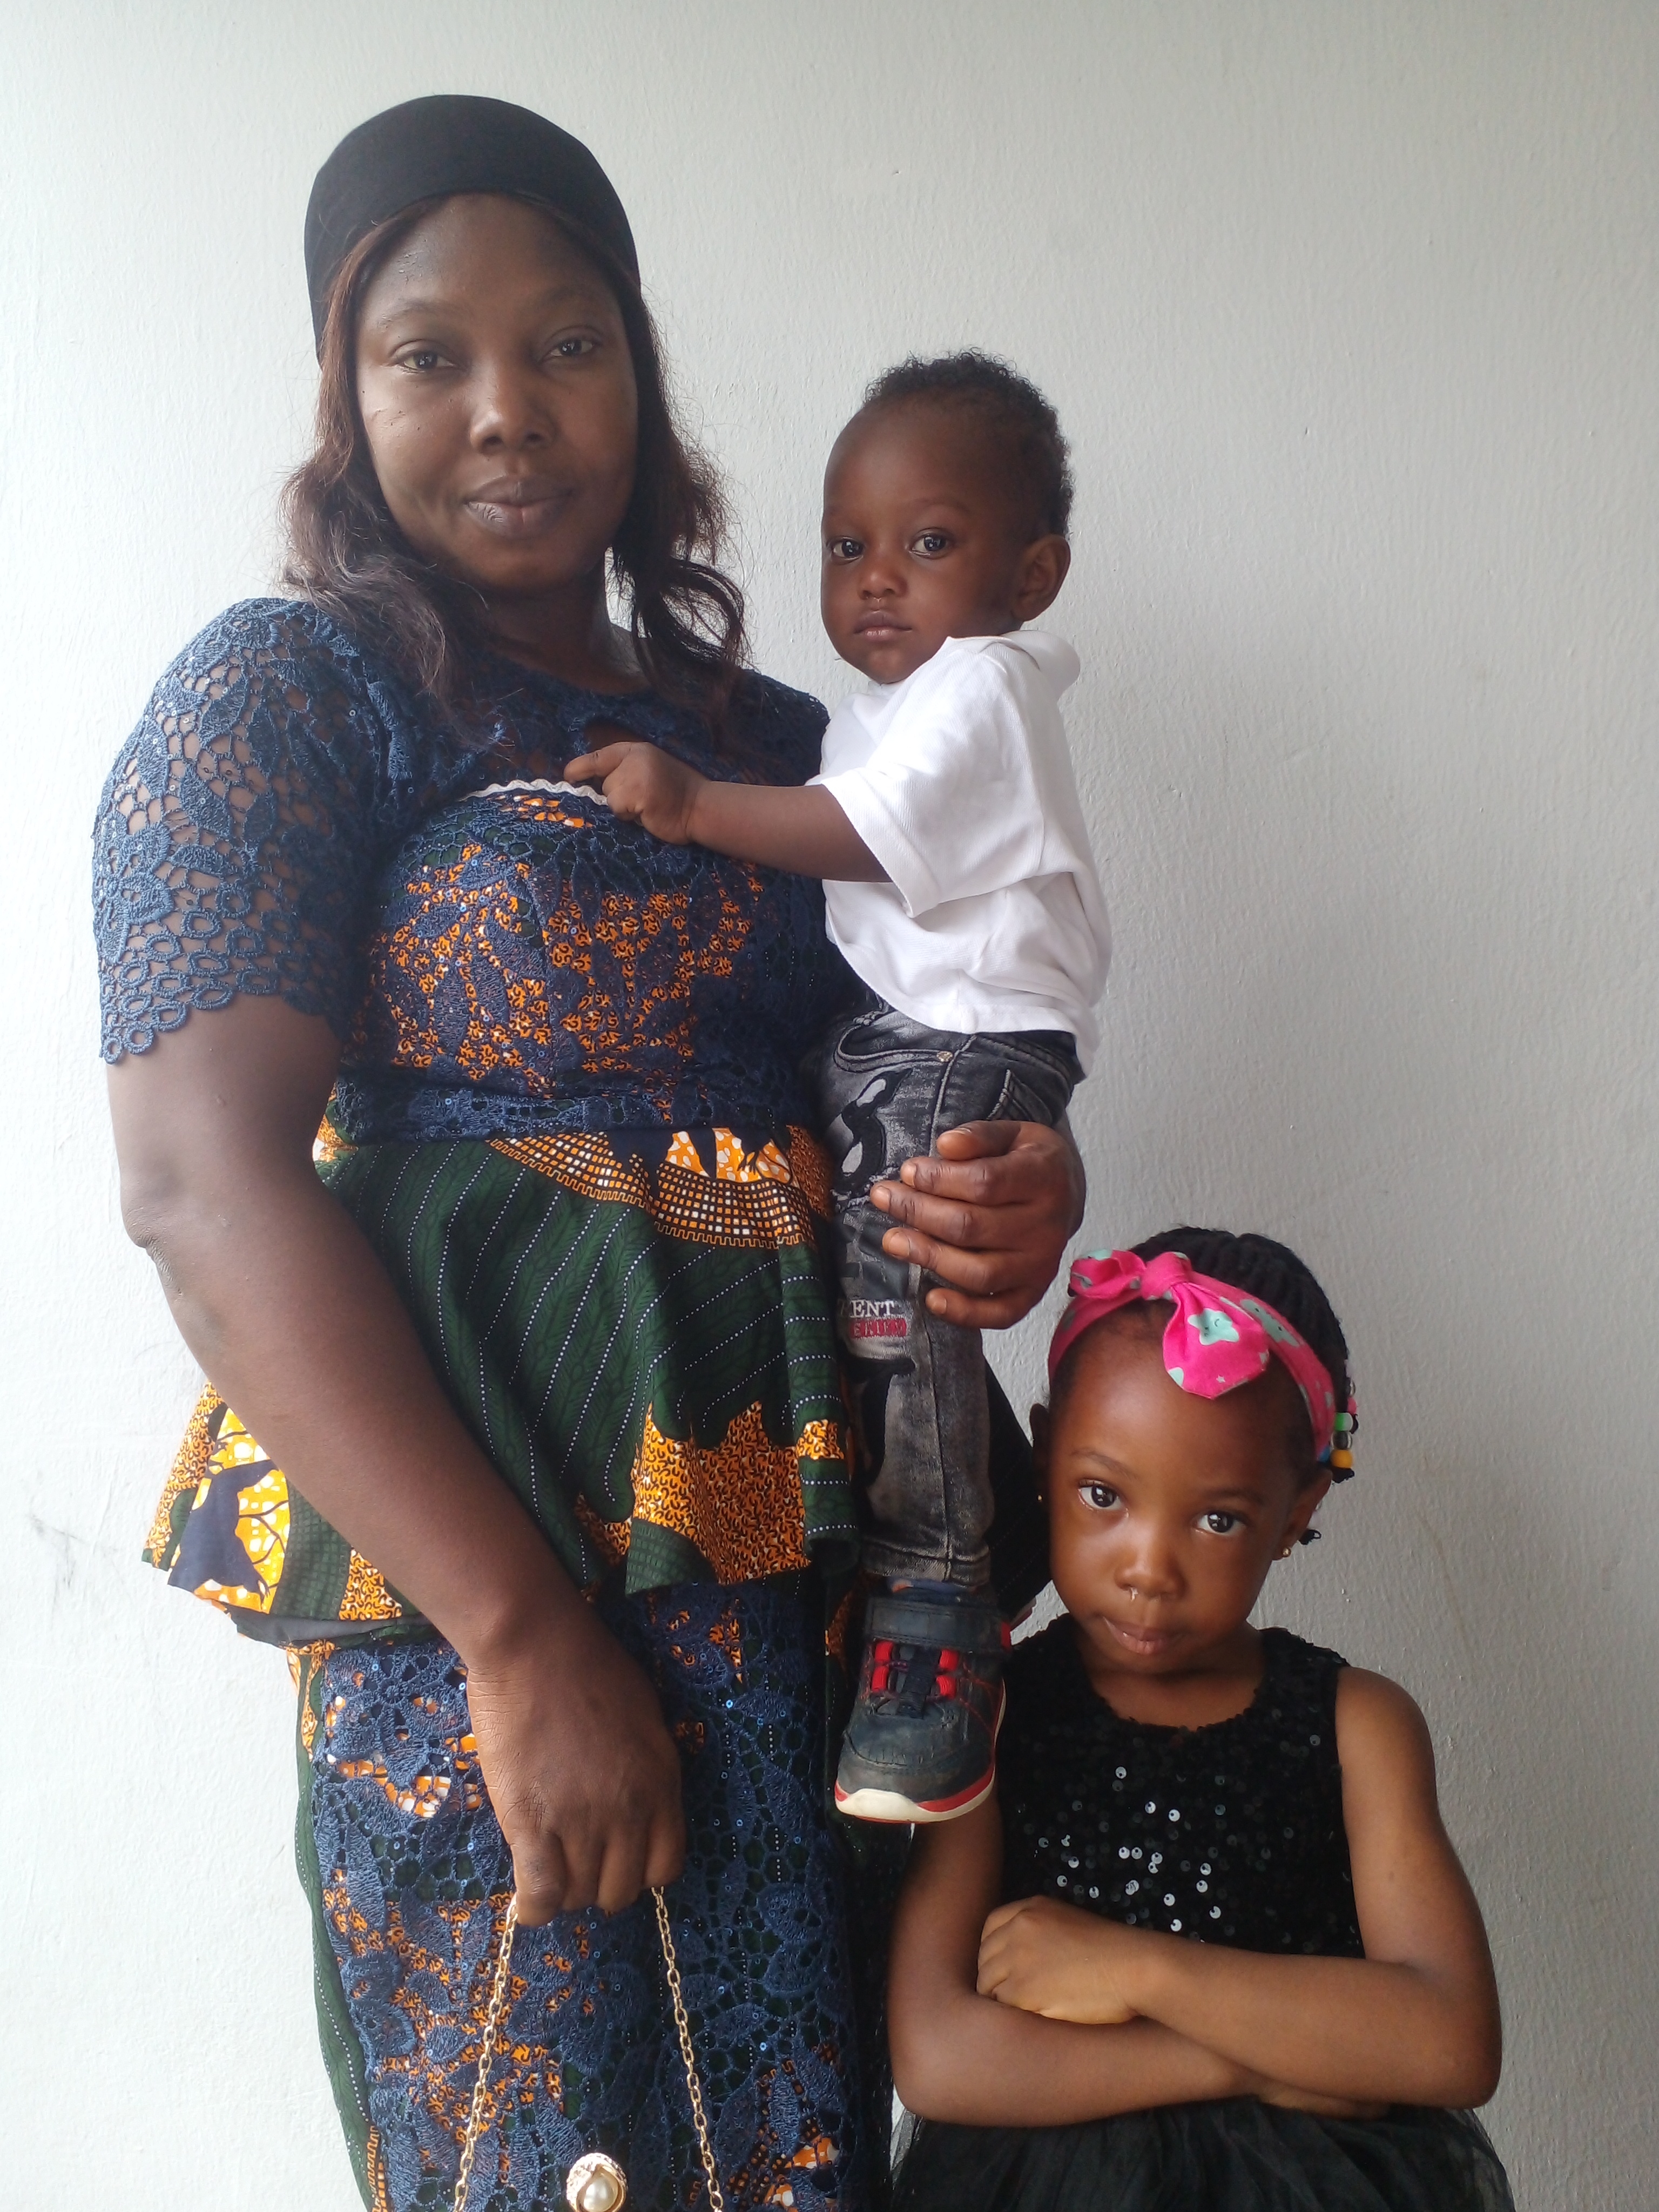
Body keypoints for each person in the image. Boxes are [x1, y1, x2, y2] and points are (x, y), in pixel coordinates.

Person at [94, 96, 1084, 2212]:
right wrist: (519, 1636)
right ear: (346, 396)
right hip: (491, 1585)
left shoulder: (785, 747)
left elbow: (930, 1047)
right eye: (429, 353)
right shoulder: (289, 699)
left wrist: (1019, 1185)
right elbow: (197, 1183)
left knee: (806, 2139)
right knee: (548, 2149)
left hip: (811, 1579)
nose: (509, 407)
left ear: (639, 369)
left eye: (568, 342)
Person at [566, 354, 1109, 1826]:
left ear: (1033, 573)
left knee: (896, 1292)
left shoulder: (981, 685)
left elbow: (865, 834)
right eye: (845, 542)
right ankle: (977, 1522)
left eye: (927, 541)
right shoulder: (892, 699)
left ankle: (939, 1592)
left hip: (958, 1034)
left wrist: (691, 803)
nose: (875, 576)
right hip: (906, 1031)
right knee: (881, 1290)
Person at [885, 1231, 1516, 2212]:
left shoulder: (1359, 1726)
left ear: (1297, 1509)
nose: (1150, 1569)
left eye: (1217, 1519)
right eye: (1103, 1495)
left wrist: (1136, 1971)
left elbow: (1449, 2041)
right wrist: (1250, 2062)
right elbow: (938, 2058)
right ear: (1045, 1456)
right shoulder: (987, 1711)